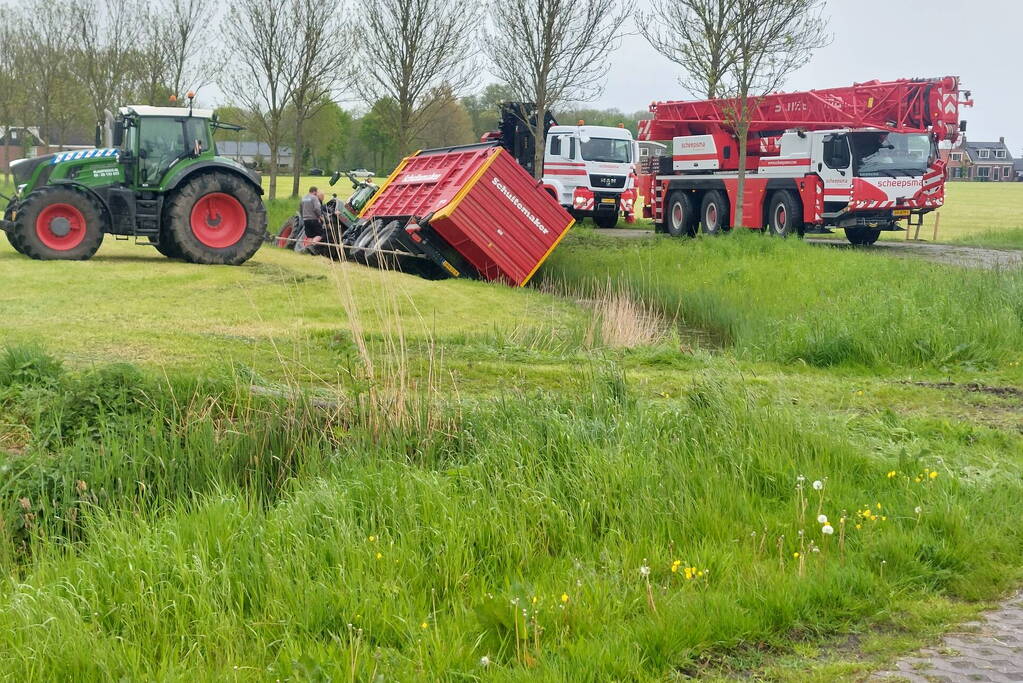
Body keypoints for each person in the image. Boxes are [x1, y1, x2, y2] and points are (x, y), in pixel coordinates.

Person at [299, 186, 324, 251]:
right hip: (313, 219)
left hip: (305, 220)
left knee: (310, 236)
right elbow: (317, 208)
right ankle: (311, 247)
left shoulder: (303, 198)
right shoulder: (314, 198)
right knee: (320, 234)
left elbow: (300, 209)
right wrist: (320, 216)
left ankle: (306, 250)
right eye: (317, 192)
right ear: (314, 191)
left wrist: (303, 217)